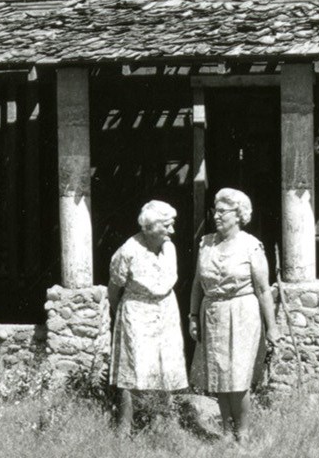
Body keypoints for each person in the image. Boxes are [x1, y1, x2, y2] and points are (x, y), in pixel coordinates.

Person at [190, 188, 281, 442]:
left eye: (222, 211)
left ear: (238, 215)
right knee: (219, 376)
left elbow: (263, 290)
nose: (216, 216)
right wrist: (193, 316)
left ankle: (243, 433)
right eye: (214, 211)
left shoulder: (251, 246)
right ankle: (226, 432)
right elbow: (198, 283)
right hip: (213, 313)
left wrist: (272, 327)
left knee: (238, 377)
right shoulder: (206, 243)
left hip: (242, 314)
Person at [108, 200, 188, 434]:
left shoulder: (169, 248)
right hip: (137, 311)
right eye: (167, 226)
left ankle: (161, 423)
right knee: (134, 369)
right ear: (150, 227)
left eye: (172, 225)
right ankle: (124, 428)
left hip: (166, 312)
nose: (172, 231)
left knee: (166, 364)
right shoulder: (128, 251)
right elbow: (114, 291)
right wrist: (123, 317)